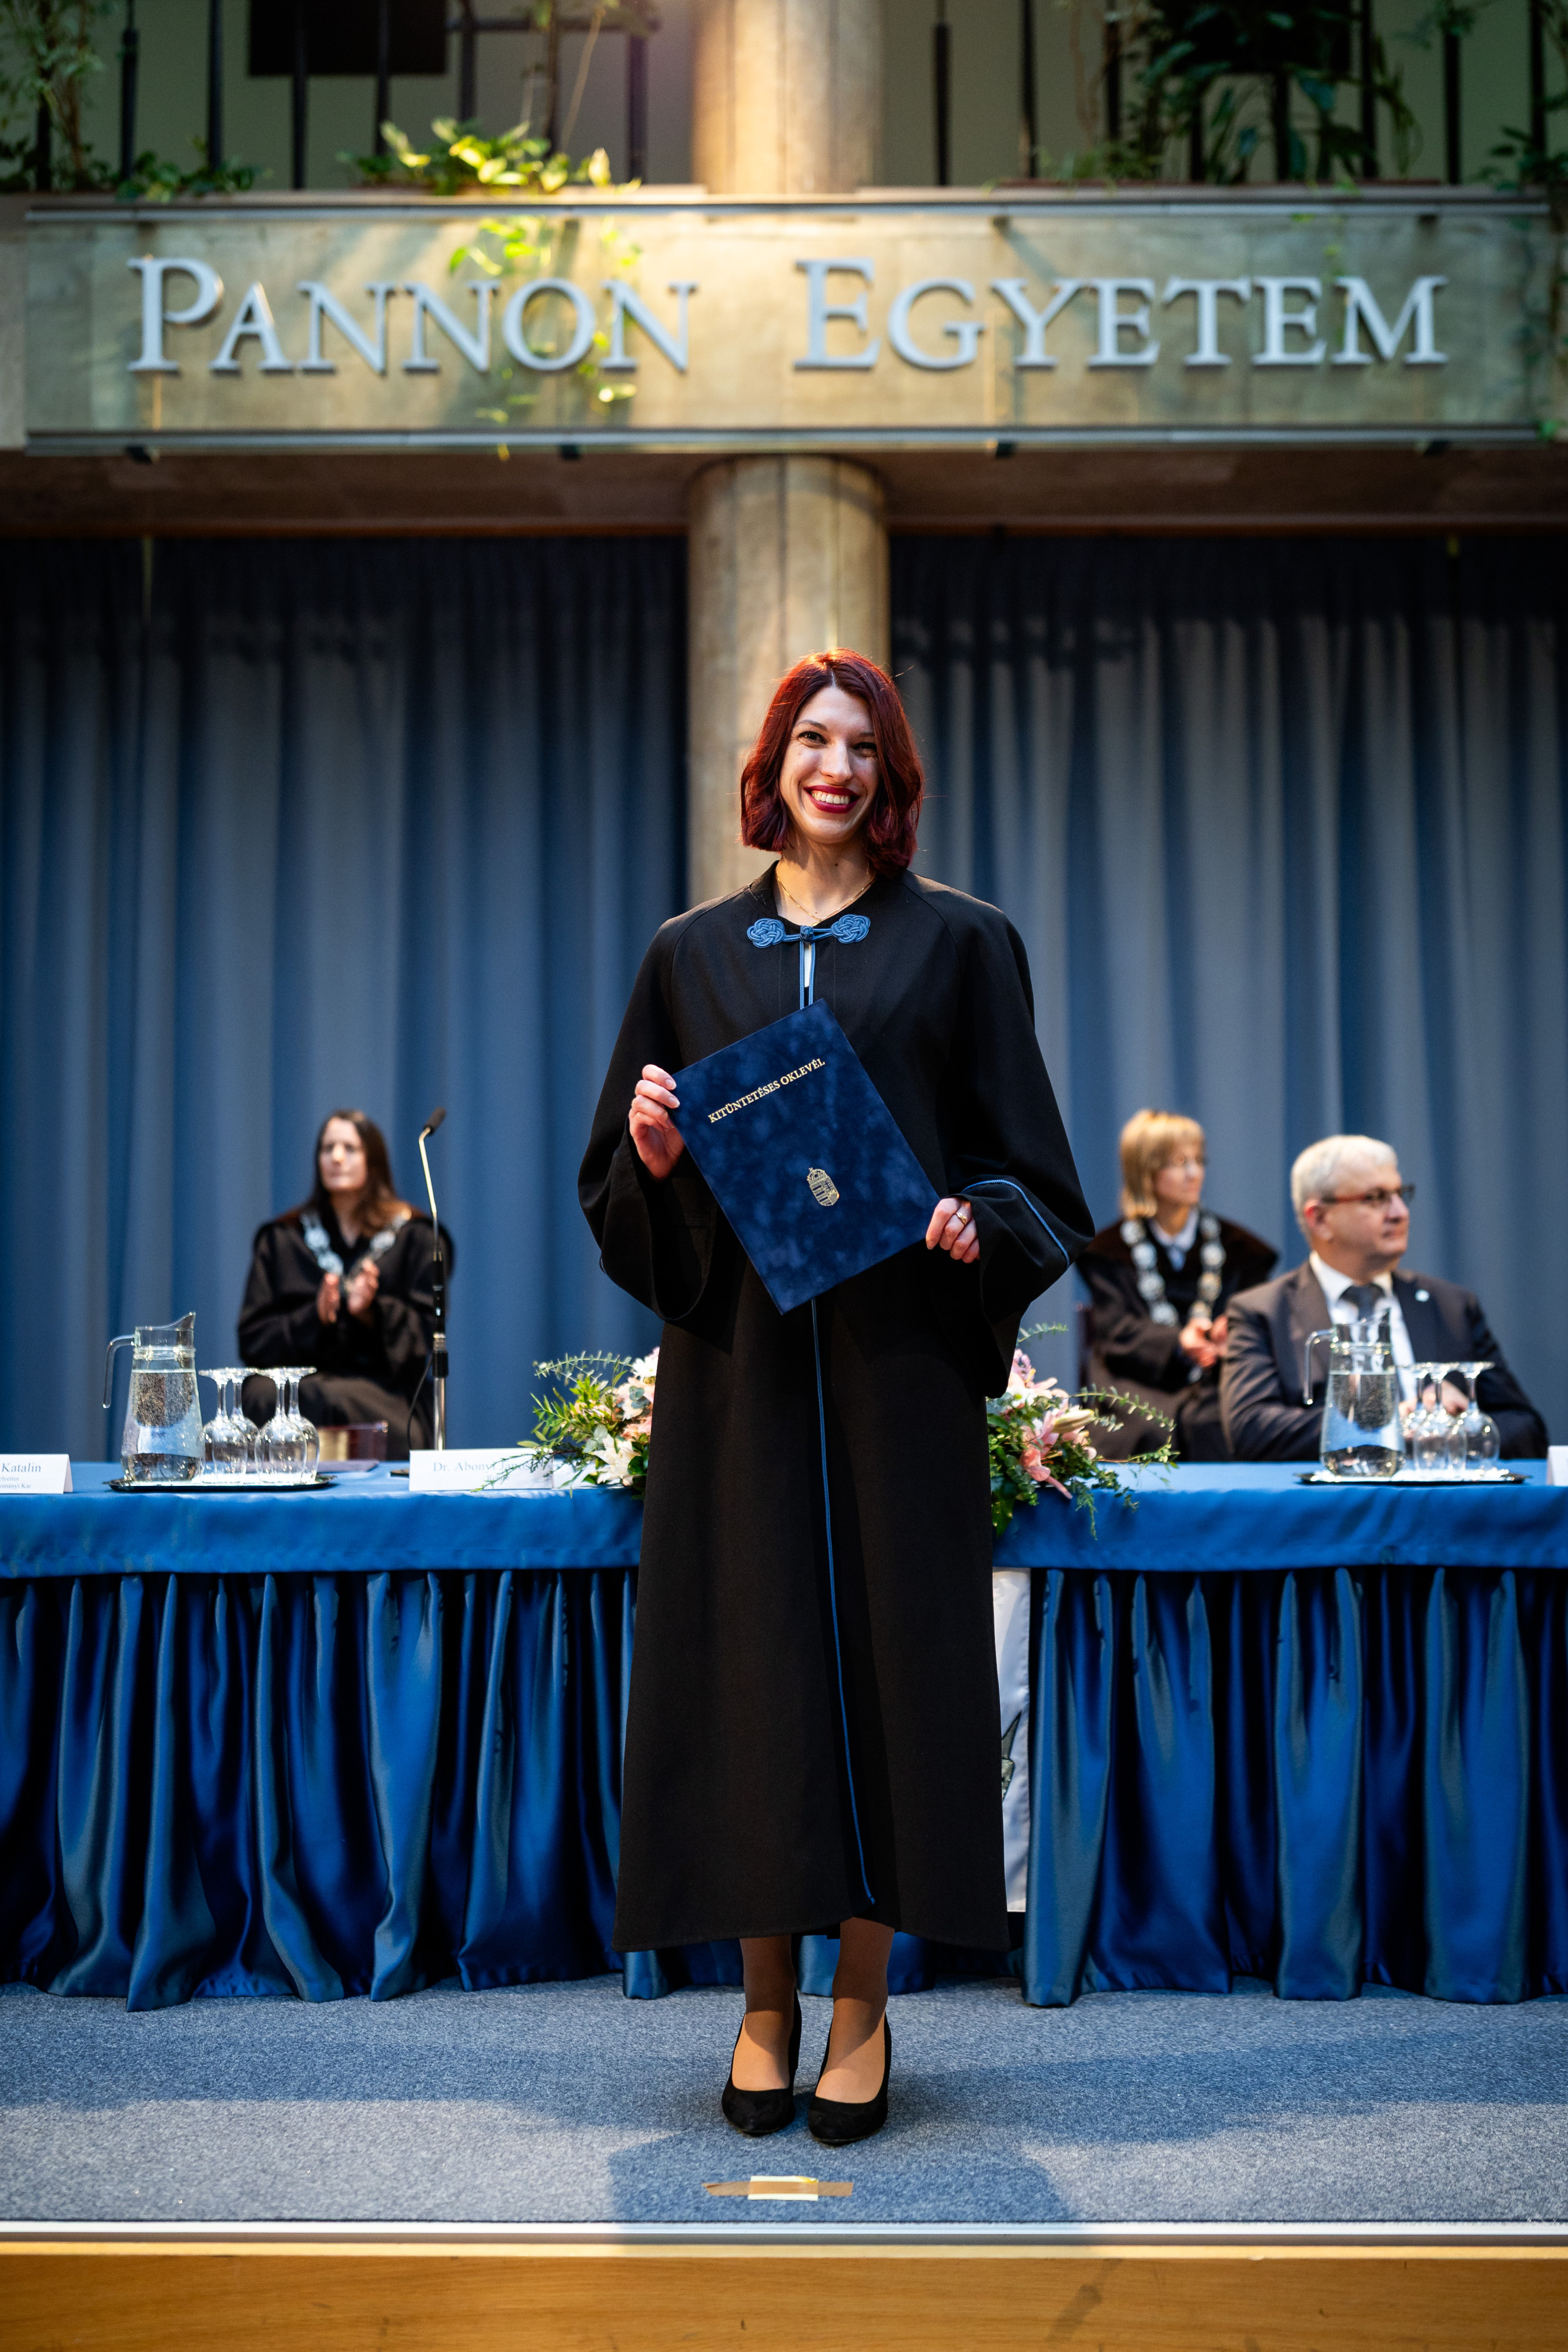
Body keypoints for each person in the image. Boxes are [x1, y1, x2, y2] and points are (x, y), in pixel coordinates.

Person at [579, 649, 1091, 2146]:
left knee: (889, 1674)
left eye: (863, 745)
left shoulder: (962, 942)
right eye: (813, 738)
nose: (836, 766)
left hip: (896, 1378)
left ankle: (859, 2001)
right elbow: (613, 1186)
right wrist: (657, 1161)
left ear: (892, 773)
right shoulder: (690, 952)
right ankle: (763, 2002)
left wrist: (973, 1222)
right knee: (752, 1677)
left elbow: (1034, 1176)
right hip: (739, 1378)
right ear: (772, 763)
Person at [1221, 1132, 1544, 1460]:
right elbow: (1251, 1431)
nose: (1400, 1212)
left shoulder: (1451, 1306)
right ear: (1320, 1219)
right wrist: (1382, 1424)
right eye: (1376, 1198)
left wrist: (1462, 1424)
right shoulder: (1262, 1312)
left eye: (1400, 1195)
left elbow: (1526, 1427)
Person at [239, 1110, 452, 1456]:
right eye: (328, 1149)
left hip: (381, 1390)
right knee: (264, 1394)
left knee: (336, 1398)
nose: (336, 1157)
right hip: (297, 1387)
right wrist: (315, 1316)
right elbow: (253, 1342)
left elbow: (423, 1340)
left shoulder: (416, 1237)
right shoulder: (283, 1239)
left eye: (350, 1148)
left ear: (374, 1160)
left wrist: (372, 1312)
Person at [1079, 1111, 1277, 1461]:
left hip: (1218, 1381)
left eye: (1199, 1161)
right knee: (1146, 1428)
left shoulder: (1242, 1251)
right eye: (1179, 1163)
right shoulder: (1108, 1253)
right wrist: (1178, 1343)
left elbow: (1254, 1317)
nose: (1194, 1173)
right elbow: (1118, 1332)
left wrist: (1229, 1330)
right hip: (1137, 1381)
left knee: (1220, 1423)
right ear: (1145, 1170)